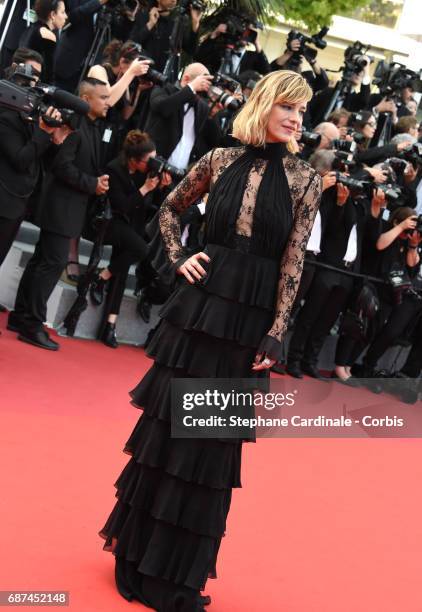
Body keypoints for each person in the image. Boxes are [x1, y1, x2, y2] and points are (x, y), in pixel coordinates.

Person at [99, 70, 322, 611]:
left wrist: (277, 328)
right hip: (199, 309)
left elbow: (294, 260)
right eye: (287, 107)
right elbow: (170, 210)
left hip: (249, 319)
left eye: (302, 111)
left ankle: (176, 572)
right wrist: (179, 258)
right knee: (171, 430)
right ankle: (135, 552)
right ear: (264, 105)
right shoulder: (218, 160)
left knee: (211, 445)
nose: (295, 119)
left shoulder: (304, 179)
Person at [8, 78, 110, 350]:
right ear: (87, 99)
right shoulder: (73, 125)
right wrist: (93, 184)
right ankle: (32, 323)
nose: (108, 102)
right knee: (51, 264)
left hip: (65, 209)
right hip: (59, 208)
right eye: (103, 97)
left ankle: (20, 317)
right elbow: (61, 166)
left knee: (42, 261)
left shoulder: (89, 127)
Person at [89, 130, 171, 348]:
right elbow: (122, 207)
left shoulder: (147, 173)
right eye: (149, 160)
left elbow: (146, 208)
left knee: (123, 270)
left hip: (130, 227)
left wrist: (158, 188)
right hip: (109, 224)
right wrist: (145, 188)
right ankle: (102, 276)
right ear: (134, 159)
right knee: (141, 249)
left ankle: (109, 326)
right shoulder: (114, 169)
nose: (153, 164)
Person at [0, 48, 68, 269]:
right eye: (27, 76)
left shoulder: (32, 114)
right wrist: (43, 133)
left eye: (37, 78)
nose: (32, 84)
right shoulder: (5, 113)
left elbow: (41, 161)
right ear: (13, 70)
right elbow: (21, 159)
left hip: (18, 204)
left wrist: (54, 141)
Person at [144, 62, 219, 170]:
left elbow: (214, 141)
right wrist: (191, 88)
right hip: (153, 167)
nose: (200, 94)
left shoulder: (202, 107)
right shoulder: (164, 89)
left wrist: (213, 114)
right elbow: (163, 107)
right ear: (186, 79)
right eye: (200, 86)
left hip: (181, 176)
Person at [130, 0, 202, 73]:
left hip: (165, 77)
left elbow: (191, 50)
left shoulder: (176, 23)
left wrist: (195, 22)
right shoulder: (144, 16)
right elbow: (131, 44)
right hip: (142, 73)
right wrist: (150, 24)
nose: (174, 0)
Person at [19, 0, 68, 82]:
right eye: (62, 12)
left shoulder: (31, 28)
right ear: (52, 15)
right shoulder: (48, 35)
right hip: (32, 85)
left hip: (19, 78)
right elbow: (48, 73)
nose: (66, 16)